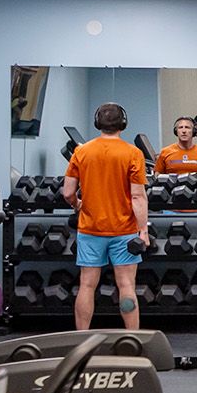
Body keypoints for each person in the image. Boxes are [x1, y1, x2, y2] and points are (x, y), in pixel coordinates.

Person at [65, 101, 151, 331]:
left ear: (97, 123)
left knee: (86, 285)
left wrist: (78, 205)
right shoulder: (133, 153)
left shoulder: (81, 151)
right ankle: (133, 338)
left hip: (90, 229)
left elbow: (68, 192)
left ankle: (81, 337)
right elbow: (138, 197)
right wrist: (143, 231)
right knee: (126, 285)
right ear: (123, 123)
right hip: (124, 231)